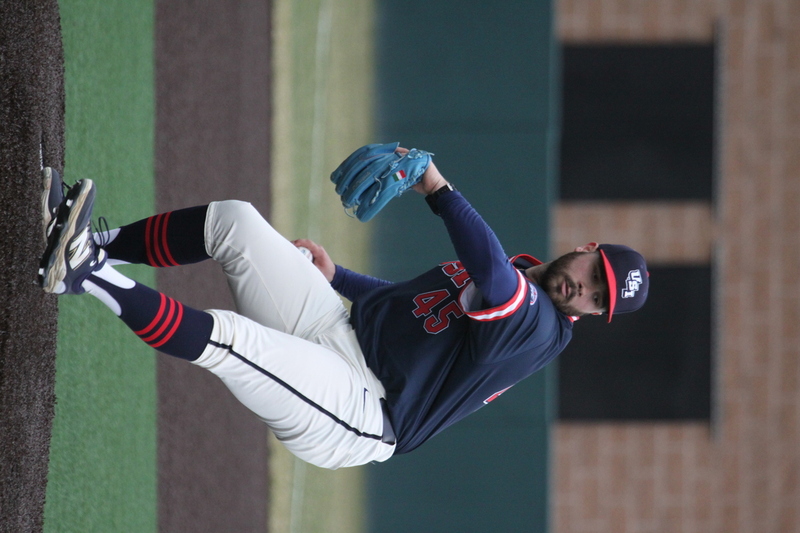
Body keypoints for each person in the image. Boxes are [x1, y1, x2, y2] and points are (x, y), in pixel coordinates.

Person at [38, 153, 648, 470]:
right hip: (340, 325)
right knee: (236, 222)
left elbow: (485, 269)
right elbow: (408, 306)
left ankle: (87, 273)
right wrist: (340, 278)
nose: (586, 290)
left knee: (234, 343)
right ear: (588, 249)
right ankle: (94, 242)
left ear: (595, 315)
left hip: (360, 410)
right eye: (596, 275)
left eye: (600, 298)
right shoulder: (515, 277)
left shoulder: (541, 328)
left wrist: (435, 184)